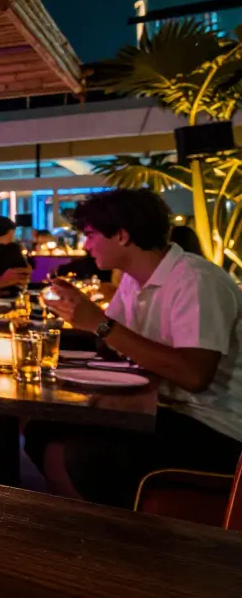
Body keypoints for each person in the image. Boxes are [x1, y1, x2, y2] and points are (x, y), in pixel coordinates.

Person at [30, 189, 242, 507]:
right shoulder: (135, 280)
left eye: (90, 234)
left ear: (122, 235)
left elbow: (194, 375)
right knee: (40, 430)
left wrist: (99, 324)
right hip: (163, 407)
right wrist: (80, 313)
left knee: (86, 454)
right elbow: (112, 343)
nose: (85, 245)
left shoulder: (195, 281)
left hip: (216, 425)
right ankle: (87, 531)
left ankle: (124, 540)